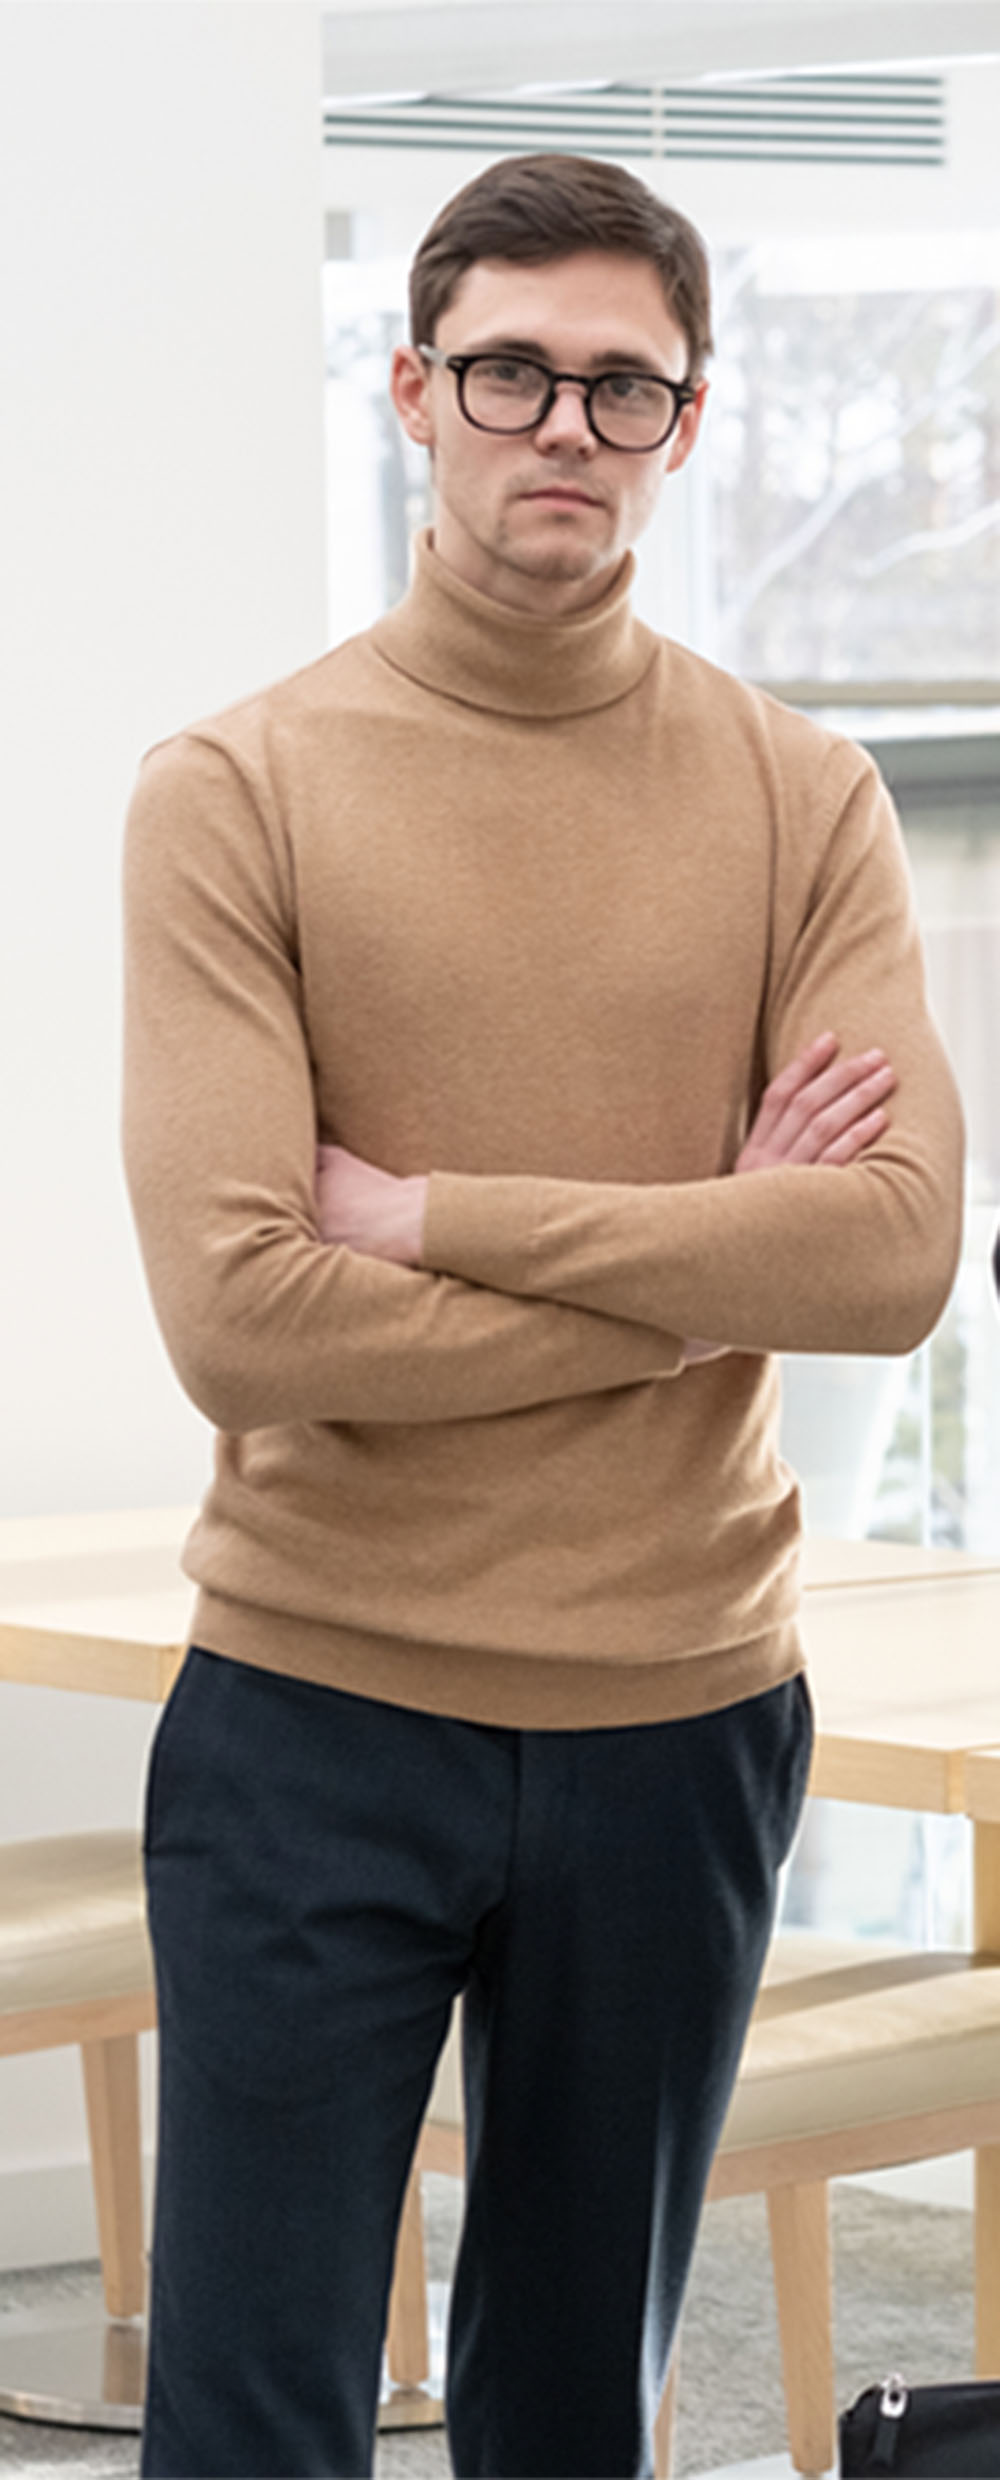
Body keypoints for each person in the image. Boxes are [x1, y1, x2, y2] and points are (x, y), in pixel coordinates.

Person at [122, 153, 964, 2480]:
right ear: (413, 389)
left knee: (570, 2416)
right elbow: (239, 1322)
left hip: (675, 1720)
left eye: (622, 385)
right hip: (315, 1707)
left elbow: (885, 1256)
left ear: (685, 425)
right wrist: (704, 1256)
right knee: (250, 2414)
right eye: (512, 370)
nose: (561, 426)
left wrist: (434, 1217)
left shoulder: (803, 798)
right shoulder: (236, 793)